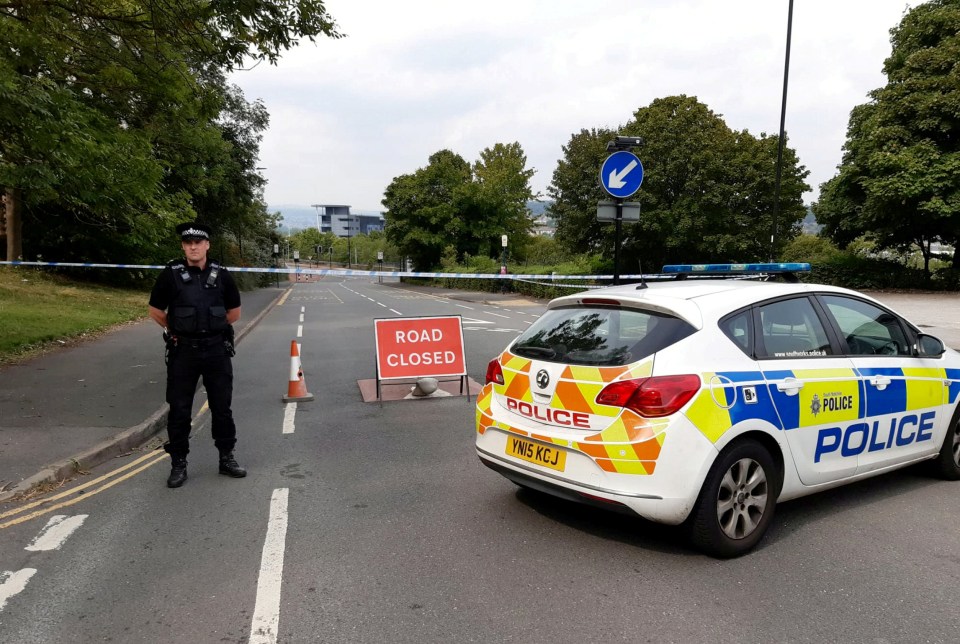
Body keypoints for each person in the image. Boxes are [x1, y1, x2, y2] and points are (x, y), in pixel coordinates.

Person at [148, 222, 246, 488]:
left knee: (222, 408)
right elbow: (156, 310)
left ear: (207, 245)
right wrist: (177, 328)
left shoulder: (222, 275)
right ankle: (178, 463)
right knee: (179, 410)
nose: (193, 246)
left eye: (198, 242)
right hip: (184, 351)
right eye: (188, 242)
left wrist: (212, 330)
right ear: (183, 246)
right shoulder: (171, 274)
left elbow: (234, 313)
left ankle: (226, 458)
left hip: (216, 350)